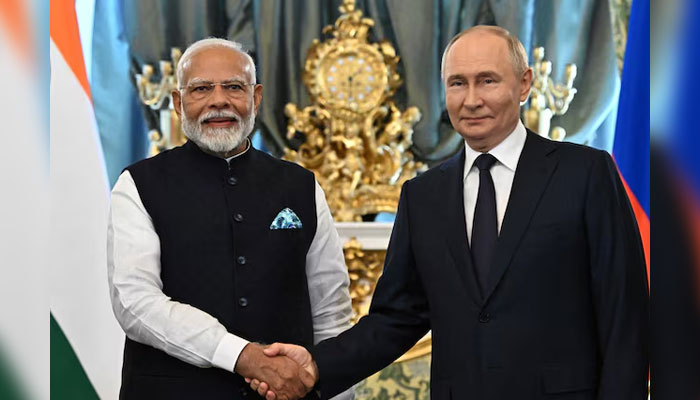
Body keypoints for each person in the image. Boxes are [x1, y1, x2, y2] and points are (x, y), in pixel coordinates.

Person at [250, 25, 649, 400]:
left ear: (524, 83)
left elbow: (625, 316)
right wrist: (316, 366)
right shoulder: (422, 196)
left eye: (487, 80)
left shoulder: (586, 172)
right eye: (457, 83)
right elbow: (396, 318)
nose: (471, 99)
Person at [107, 38, 353, 400]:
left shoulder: (300, 185)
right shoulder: (139, 184)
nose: (218, 100)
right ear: (178, 103)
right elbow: (135, 302)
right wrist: (240, 356)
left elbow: (330, 308)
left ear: (255, 98)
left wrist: (336, 391)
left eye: (233, 87)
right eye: (201, 89)